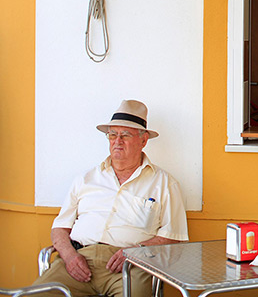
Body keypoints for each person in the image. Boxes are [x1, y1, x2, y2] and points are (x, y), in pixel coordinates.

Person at [32, 100, 189, 297]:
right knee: (37, 294)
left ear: (144, 140)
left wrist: (136, 252)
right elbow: (60, 228)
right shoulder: (86, 179)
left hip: (130, 265)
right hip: (79, 259)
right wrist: (70, 256)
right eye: (112, 135)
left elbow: (173, 238)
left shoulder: (164, 183)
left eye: (125, 135)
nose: (117, 141)